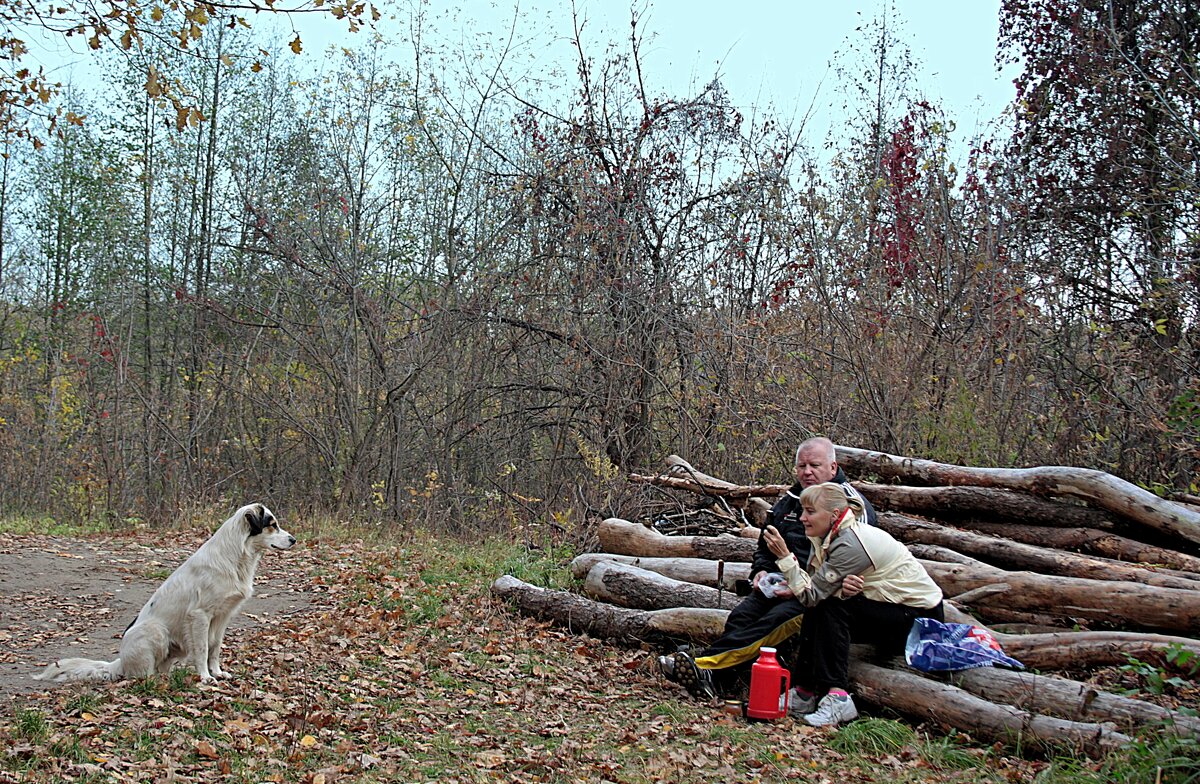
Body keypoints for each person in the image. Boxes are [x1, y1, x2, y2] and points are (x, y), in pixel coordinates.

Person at [659, 437, 877, 700]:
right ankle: (716, 682)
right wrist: (760, 572)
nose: (807, 472)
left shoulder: (851, 505)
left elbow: (853, 560)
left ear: (833, 467)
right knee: (741, 617)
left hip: (820, 596)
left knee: (773, 622)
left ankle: (703, 664)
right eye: (802, 466)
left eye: (814, 465)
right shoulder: (789, 501)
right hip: (779, 585)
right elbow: (765, 546)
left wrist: (800, 587)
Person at [762, 481, 944, 726]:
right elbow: (816, 588)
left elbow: (811, 595)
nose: (803, 518)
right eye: (803, 511)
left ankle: (837, 697)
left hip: (921, 622)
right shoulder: (830, 534)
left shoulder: (850, 543)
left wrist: (785, 557)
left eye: (810, 512)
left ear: (834, 514)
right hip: (888, 606)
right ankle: (805, 692)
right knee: (822, 607)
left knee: (829, 606)